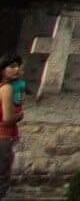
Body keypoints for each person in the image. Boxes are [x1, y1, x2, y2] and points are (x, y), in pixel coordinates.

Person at [0, 52, 23, 193]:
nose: (17, 70)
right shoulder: (7, 89)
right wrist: (20, 115)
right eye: (12, 66)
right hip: (3, 137)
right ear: (3, 70)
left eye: (18, 66)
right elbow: (8, 119)